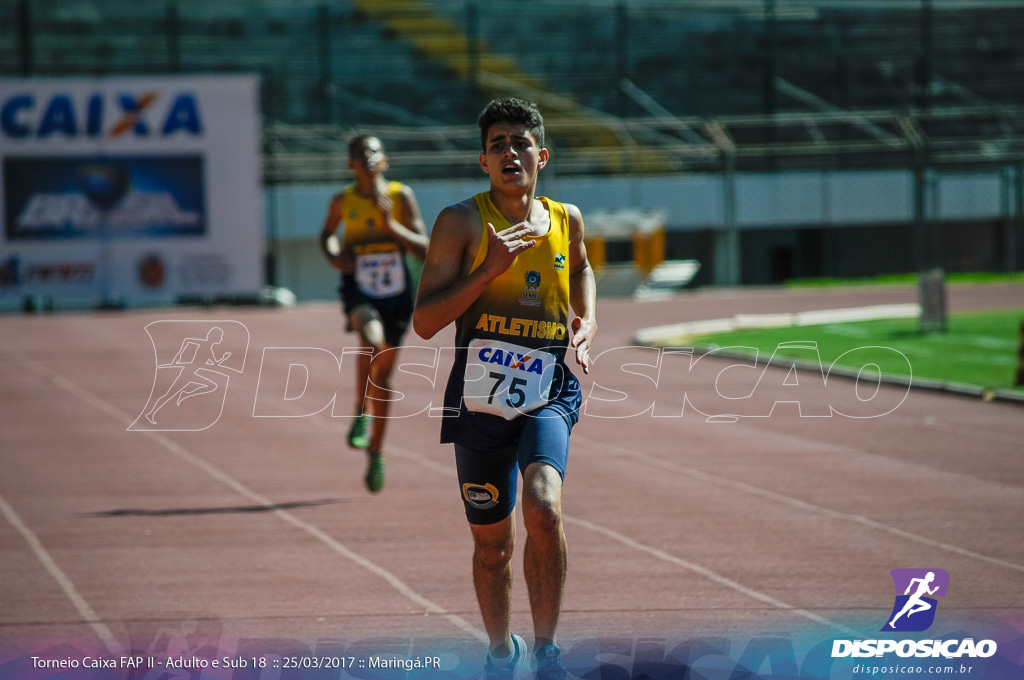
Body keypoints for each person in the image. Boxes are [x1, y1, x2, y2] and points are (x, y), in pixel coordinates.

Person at [413, 98, 597, 680]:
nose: (510, 152)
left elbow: (584, 267)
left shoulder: (567, 218)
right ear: (483, 162)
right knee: (493, 548)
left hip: (547, 388)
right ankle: (501, 652)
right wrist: (489, 270)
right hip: (479, 400)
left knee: (544, 506)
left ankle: (546, 653)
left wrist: (586, 318)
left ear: (541, 155)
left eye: (521, 143)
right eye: (498, 145)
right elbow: (424, 321)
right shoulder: (461, 223)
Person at [320, 135, 428, 492]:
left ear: (385, 160)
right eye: (359, 153)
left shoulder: (400, 196)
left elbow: (425, 247)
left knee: (383, 379)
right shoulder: (342, 201)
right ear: (351, 163)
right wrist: (335, 256)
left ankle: (377, 452)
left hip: (397, 293)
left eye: (373, 152)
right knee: (371, 340)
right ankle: (359, 411)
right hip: (359, 288)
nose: (366, 157)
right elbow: (326, 236)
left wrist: (391, 224)